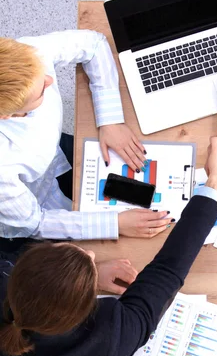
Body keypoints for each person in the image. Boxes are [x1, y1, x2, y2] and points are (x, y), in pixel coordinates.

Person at [0, 138, 217, 356]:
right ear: (85, 314)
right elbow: (167, 272)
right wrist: (215, 183)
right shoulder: (103, 341)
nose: (92, 252)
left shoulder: (8, 276)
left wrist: (87, 276)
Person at [0, 30, 173, 250]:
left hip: (53, 156)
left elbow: (93, 44)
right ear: (6, 115)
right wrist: (114, 224)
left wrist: (110, 120)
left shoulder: (28, 55)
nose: (50, 80)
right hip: (30, 203)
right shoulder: (3, 167)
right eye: (41, 91)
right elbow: (35, 222)